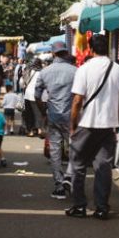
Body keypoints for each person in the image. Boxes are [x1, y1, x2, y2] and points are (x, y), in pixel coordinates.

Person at [65, 34, 119, 220]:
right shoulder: (117, 69)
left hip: (87, 124)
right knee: (103, 167)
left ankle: (79, 205)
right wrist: (117, 120)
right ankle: (101, 208)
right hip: (108, 126)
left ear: (90, 49)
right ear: (106, 48)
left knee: (77, 164)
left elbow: (77, 101)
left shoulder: (84, 69)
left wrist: (73, 126)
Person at [35, 41, 77, 200]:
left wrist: (43, 112)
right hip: (71, 116)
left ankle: (59, 185)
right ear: (66, 53)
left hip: (53, 115)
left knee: (54, 150)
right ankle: (69, 176)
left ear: (53, 53)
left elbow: (37, 96)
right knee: (75, 148)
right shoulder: (75, 71)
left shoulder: (45, 72)